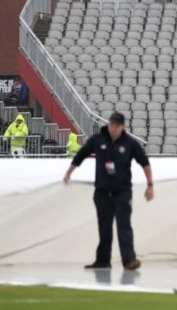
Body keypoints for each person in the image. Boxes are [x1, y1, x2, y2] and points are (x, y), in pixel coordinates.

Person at [63, 112, 153, 271]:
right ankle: (103, 259)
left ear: (123, 127)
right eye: (112, 124)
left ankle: (129, 260)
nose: (114, 128)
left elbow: (144, 162)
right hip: (102, 191)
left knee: (124, 225)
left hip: (122, 191)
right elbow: (81, 155)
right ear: (108, 124)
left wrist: (150, 185)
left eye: (117, 125)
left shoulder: (130, 143)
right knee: (104, 227)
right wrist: (69, 172)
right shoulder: (98, 140)